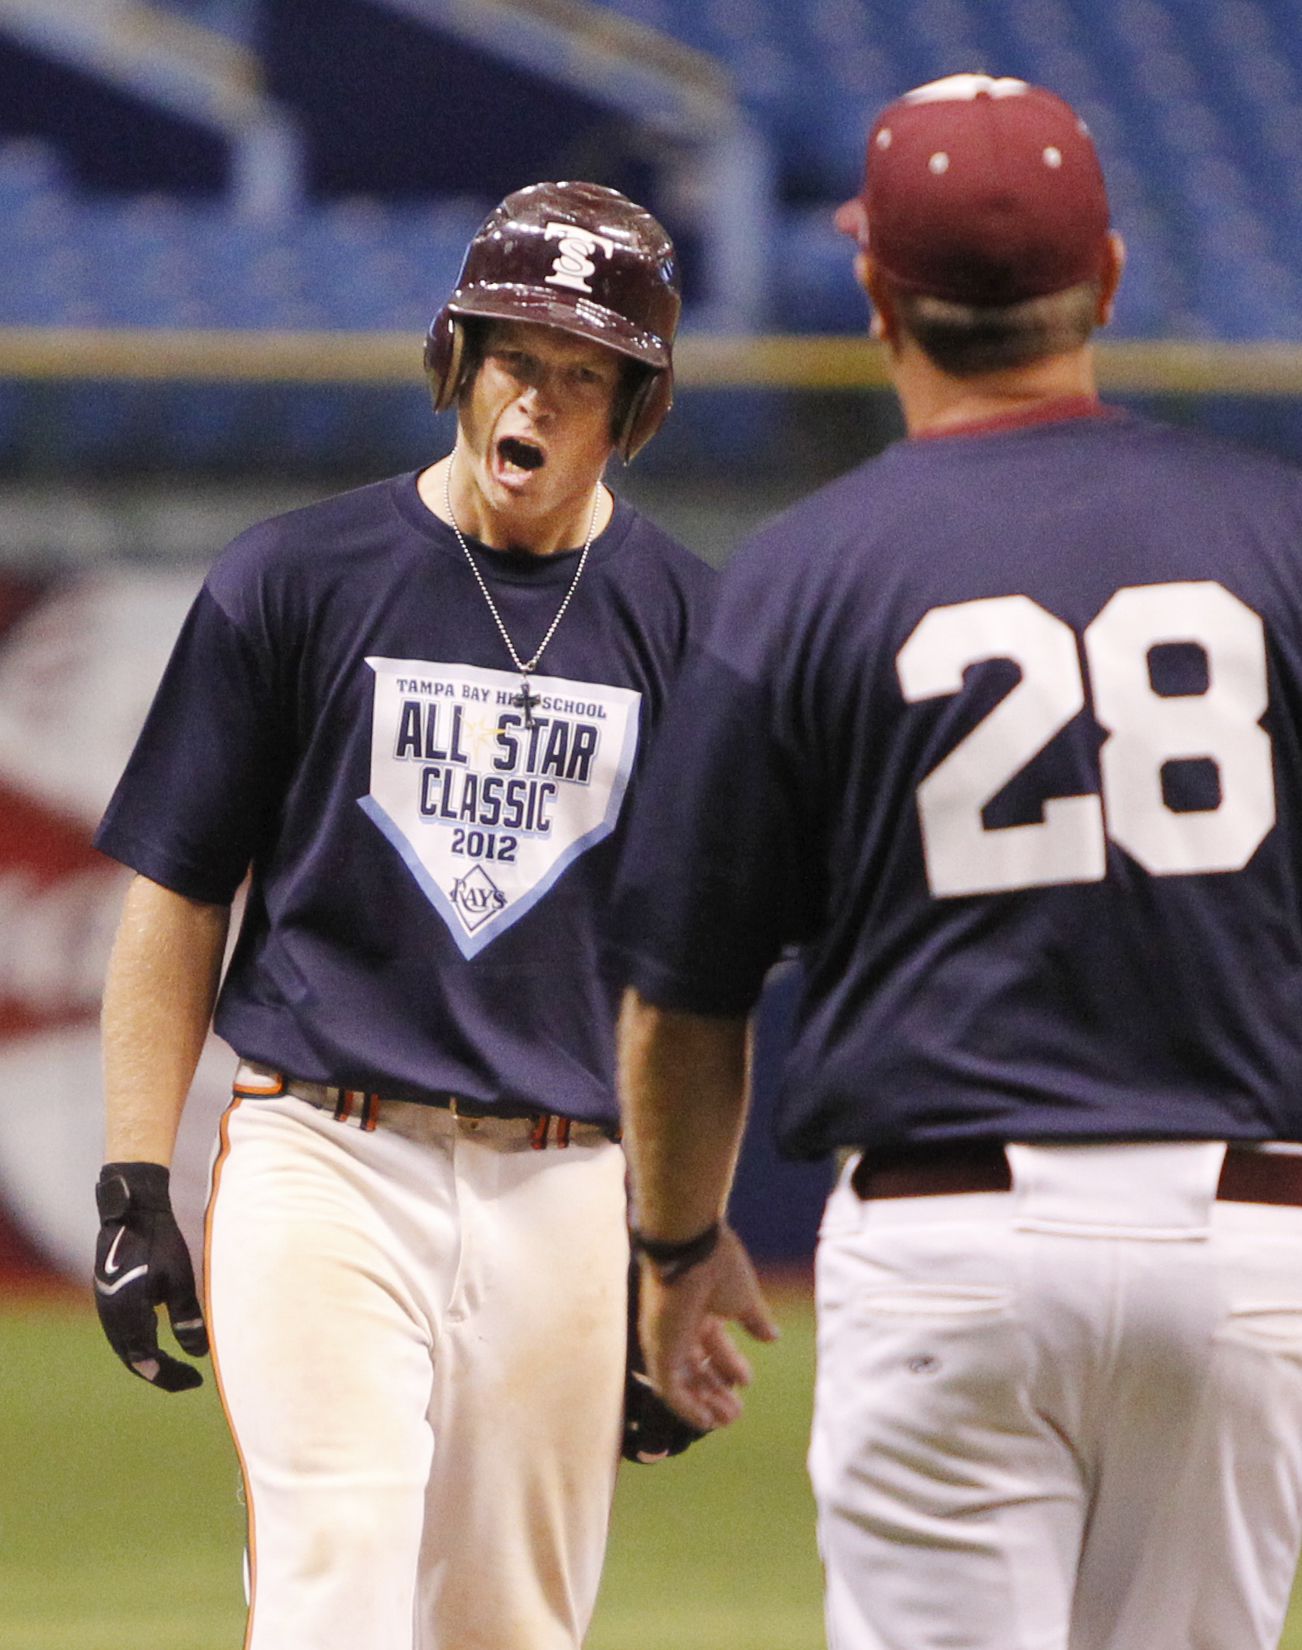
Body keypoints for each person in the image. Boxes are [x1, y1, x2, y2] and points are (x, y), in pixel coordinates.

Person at [614, 73, 1302, 1650]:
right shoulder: (1273, 538)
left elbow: (682, 991)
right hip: (1244, 1231)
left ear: (873, 296)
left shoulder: (800, 577)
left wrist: (671, 1244)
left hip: (951, 1242)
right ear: (1108, 278)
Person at [90, 179, 713, 1650]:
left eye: (582, 372)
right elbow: (177, 895)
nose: (538, 397)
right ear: (456, 360)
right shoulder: (292, 580)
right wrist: (132, 1181)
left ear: (634, 406)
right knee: (335, 1585)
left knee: (511, 1625)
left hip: (564, 1177)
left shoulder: (693, 626)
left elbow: (695, 984)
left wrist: (667, 1242)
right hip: (326, 1152)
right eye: (514, 356)